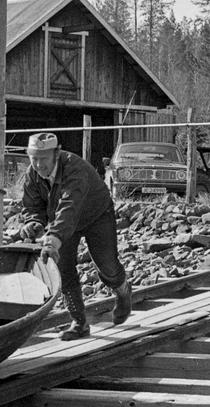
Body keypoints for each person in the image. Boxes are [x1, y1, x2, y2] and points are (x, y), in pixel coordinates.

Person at [19, 132, 132, 341]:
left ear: (56, 154)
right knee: (63, 267)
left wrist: (53, 237)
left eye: (43, 159)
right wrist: (33, 223)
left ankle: (123, 289)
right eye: (33, 158)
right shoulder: (32, 174)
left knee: (107, 265)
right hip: (63, 223)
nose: (38, 164)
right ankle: (79, 323)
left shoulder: (74, 169)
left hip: (96, 215)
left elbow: (70, 206)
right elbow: (32, 205)